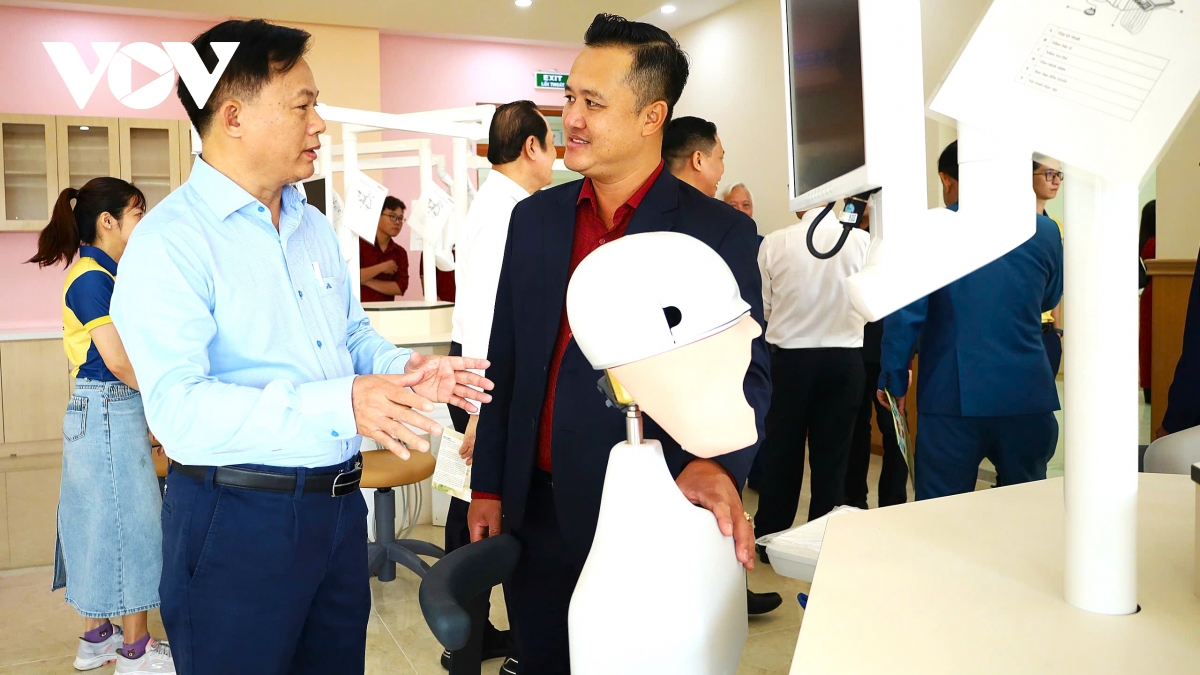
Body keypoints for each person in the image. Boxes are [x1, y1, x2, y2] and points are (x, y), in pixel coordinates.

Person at [109, 20, 492, 675]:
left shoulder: (311, 224)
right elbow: (178, 410)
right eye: (303, 105)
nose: (320, 124)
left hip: (337, 512)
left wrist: (404, 368)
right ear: (234, 116)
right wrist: (340, 403)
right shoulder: (170, 242)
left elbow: (347, 334)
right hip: (238, 519)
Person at [466, 15, 770, 674]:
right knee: (544, 658)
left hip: (653, 507)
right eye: (570, 97)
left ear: (651, 116)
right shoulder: (535, 219)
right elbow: (507, 358)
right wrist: (488, 482)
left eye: (593, 103)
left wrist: (716, 464)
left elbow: (745, 371)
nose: (570, 118)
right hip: (534, 507)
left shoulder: (714, 233)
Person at [28, 178, 174, 675]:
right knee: (133, 523)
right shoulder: (93, 278)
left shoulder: (102, 273)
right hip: (110, 406)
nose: (144, 222)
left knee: (95, 521)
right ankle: (136, 650)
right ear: (107, 221)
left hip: (97, 410)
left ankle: (98, 638)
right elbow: (119, 361)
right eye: (138, 213)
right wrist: (163, 411)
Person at [878, 141, 1063, 500]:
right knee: (1027, 509)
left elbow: (906, 313)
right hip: (1027, 394)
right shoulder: (1044, 231)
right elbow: (1049, 296)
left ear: (950, 178)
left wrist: (893, 380)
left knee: (941, 512)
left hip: (951, 395)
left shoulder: (929, 228)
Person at [444, 100, 558, 673]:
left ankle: (471, 638)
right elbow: (494, 318)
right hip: (486, 380)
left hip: (478, 375)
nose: (557, 157)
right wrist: (482, 414)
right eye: (552, 143)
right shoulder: (509, 213)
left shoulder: (499, 204)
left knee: (471, 506)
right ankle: (468, 643)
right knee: (486, 511)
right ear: (532, 147)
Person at [663, 113, 781, 615]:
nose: (720, 169)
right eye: (719, 158)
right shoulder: (729, 230)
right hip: (697, 413)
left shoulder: (706, 225)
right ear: (698, 159)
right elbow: (745, 341)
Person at [752, 197, 870, 549]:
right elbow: (870, 303)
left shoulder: (775, 242)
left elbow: (765, 307)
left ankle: (770, 536)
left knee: (781, 452)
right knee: (833, 457)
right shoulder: (861, 241)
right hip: (845, 360)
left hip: (789, 363)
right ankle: (821, 541)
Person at [842, 191, 908, 510]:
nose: (862, 203)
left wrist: (906, 357)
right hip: (851, 348)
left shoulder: (892, 239)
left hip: (887, 350)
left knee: (894, 432)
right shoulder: (841, 239)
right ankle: (854, 500)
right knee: (855, 431)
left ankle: (893, 503)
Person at [1033, 153, 1065, 376]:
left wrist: (1057, 328)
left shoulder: (1056, 227)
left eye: (1058, 175)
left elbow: (1056, 282)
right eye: (1048, 174)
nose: (1056, 181)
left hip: (1047, 331)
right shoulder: (1014, 226)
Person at [359, 196, 409, 301]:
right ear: (378, 216)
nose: (397, 222)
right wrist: (382, 267)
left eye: (400, 218)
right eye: (392, 216)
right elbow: (350, 277)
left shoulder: (400, 252)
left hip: (387, 310)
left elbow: (400, 288)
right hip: (360, 309)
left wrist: (366, 281)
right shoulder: (359, 244)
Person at [662, 115, 725, 198]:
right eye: (720, 158)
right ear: (698, 160)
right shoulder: (711, 207)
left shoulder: (650, 201)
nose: (723, 169)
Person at [1139, 200, 1155, 406]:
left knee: (1147, 343)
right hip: (1155, 294)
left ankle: (1148, 387)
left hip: (1149, 294)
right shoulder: (1155, 243)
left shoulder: (1145, 241)